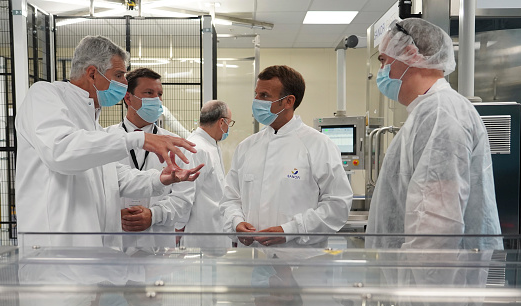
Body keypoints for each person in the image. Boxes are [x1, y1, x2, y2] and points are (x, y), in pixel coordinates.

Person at [15, 36, 203, 249]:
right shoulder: (45, 94)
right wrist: (139, 138)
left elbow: (112, 176)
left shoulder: (91, 120)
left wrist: (160, 178)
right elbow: (61, 152)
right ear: (93, 73)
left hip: (94, 249)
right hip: (56, 247)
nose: (124, 83)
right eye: (119, 75)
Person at [366, 19, 502, 250]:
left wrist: (428, 285)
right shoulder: (428, 111)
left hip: (431, 280)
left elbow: (436, 226)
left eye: (384, 61)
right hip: (417, 278)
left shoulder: (441, 113)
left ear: (410, 54)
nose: (382, 71)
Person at [220, 65, 353, 247]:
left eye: (264, 96)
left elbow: (337, 205)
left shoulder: (319, 145)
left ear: (288, 101)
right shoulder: (247, 147)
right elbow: (230, 198)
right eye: (256, 94)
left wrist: (291, 230)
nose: (256, 101)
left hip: (300, 262)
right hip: (251, 258)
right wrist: (236, 222)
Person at [114, 68, 195, 249]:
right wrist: (112, 214)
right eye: (149, 93)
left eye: (159, 94)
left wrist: (154, 215)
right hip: (116, 240)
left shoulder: (175, 144)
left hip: (158, 244)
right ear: (128, 98)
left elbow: (184, 199)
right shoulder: (107, 139)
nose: (157, 100)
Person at [173, 100, 234, 248]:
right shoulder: (197, 148)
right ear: (222, 122)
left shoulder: (211, 145)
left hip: (214, 230)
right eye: (229, 124)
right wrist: (178, 229)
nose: (228, 128)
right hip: (199, 234)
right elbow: (184, 195)